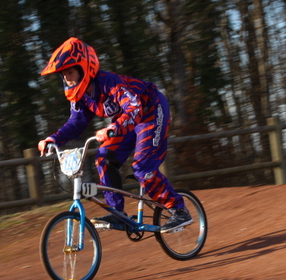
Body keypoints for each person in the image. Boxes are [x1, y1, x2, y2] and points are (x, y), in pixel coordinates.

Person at [38, 37, 192, 233]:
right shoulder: (81, 96)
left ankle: (179, 209)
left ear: (84, 68)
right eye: (63, 74)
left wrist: (114, 128)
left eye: (70, 71)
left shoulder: (110, 83)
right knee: (103, 159)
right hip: (125, 121)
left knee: (143, 166)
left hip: (151, 111)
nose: (67, 78)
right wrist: (53, 139)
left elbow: (134, 108)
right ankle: (117, 213)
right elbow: (76, 123)